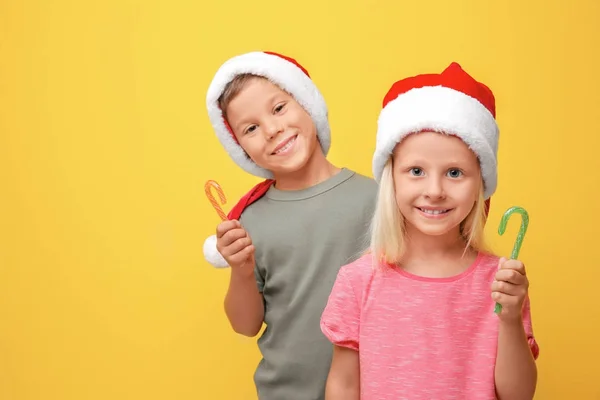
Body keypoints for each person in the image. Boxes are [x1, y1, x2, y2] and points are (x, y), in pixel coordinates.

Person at [320, 62, 540, 400]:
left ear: (481, 184)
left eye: (454, 173)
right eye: (416, 171)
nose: (435, 190)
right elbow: (344, 385)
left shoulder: (500, 282)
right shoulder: (358, 281)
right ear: (391, 178)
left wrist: (510, 319)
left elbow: (518, 395)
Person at [201, 51, 378, 400]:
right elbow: (245, 325)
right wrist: (240, 268)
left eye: (279, 108)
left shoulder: (375, 199)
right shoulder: (250, 221)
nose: (272, 129)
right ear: (242, 149)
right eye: (250, 128)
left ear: (307, 103)